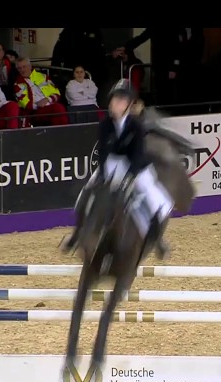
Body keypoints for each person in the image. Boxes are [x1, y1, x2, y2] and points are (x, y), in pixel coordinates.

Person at [61, 80, 173, 259]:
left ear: (128, 104)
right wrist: (103, 175)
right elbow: (103, 153)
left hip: (136, 166)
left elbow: (137, 155)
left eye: (120, 100)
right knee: (86, 192)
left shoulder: (136, 125)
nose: (115, 103)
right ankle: (76, 235)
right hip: (112, 163)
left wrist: (130, 177)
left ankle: (157, 240)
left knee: (159, 200)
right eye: (114, 99)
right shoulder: (105, 124)